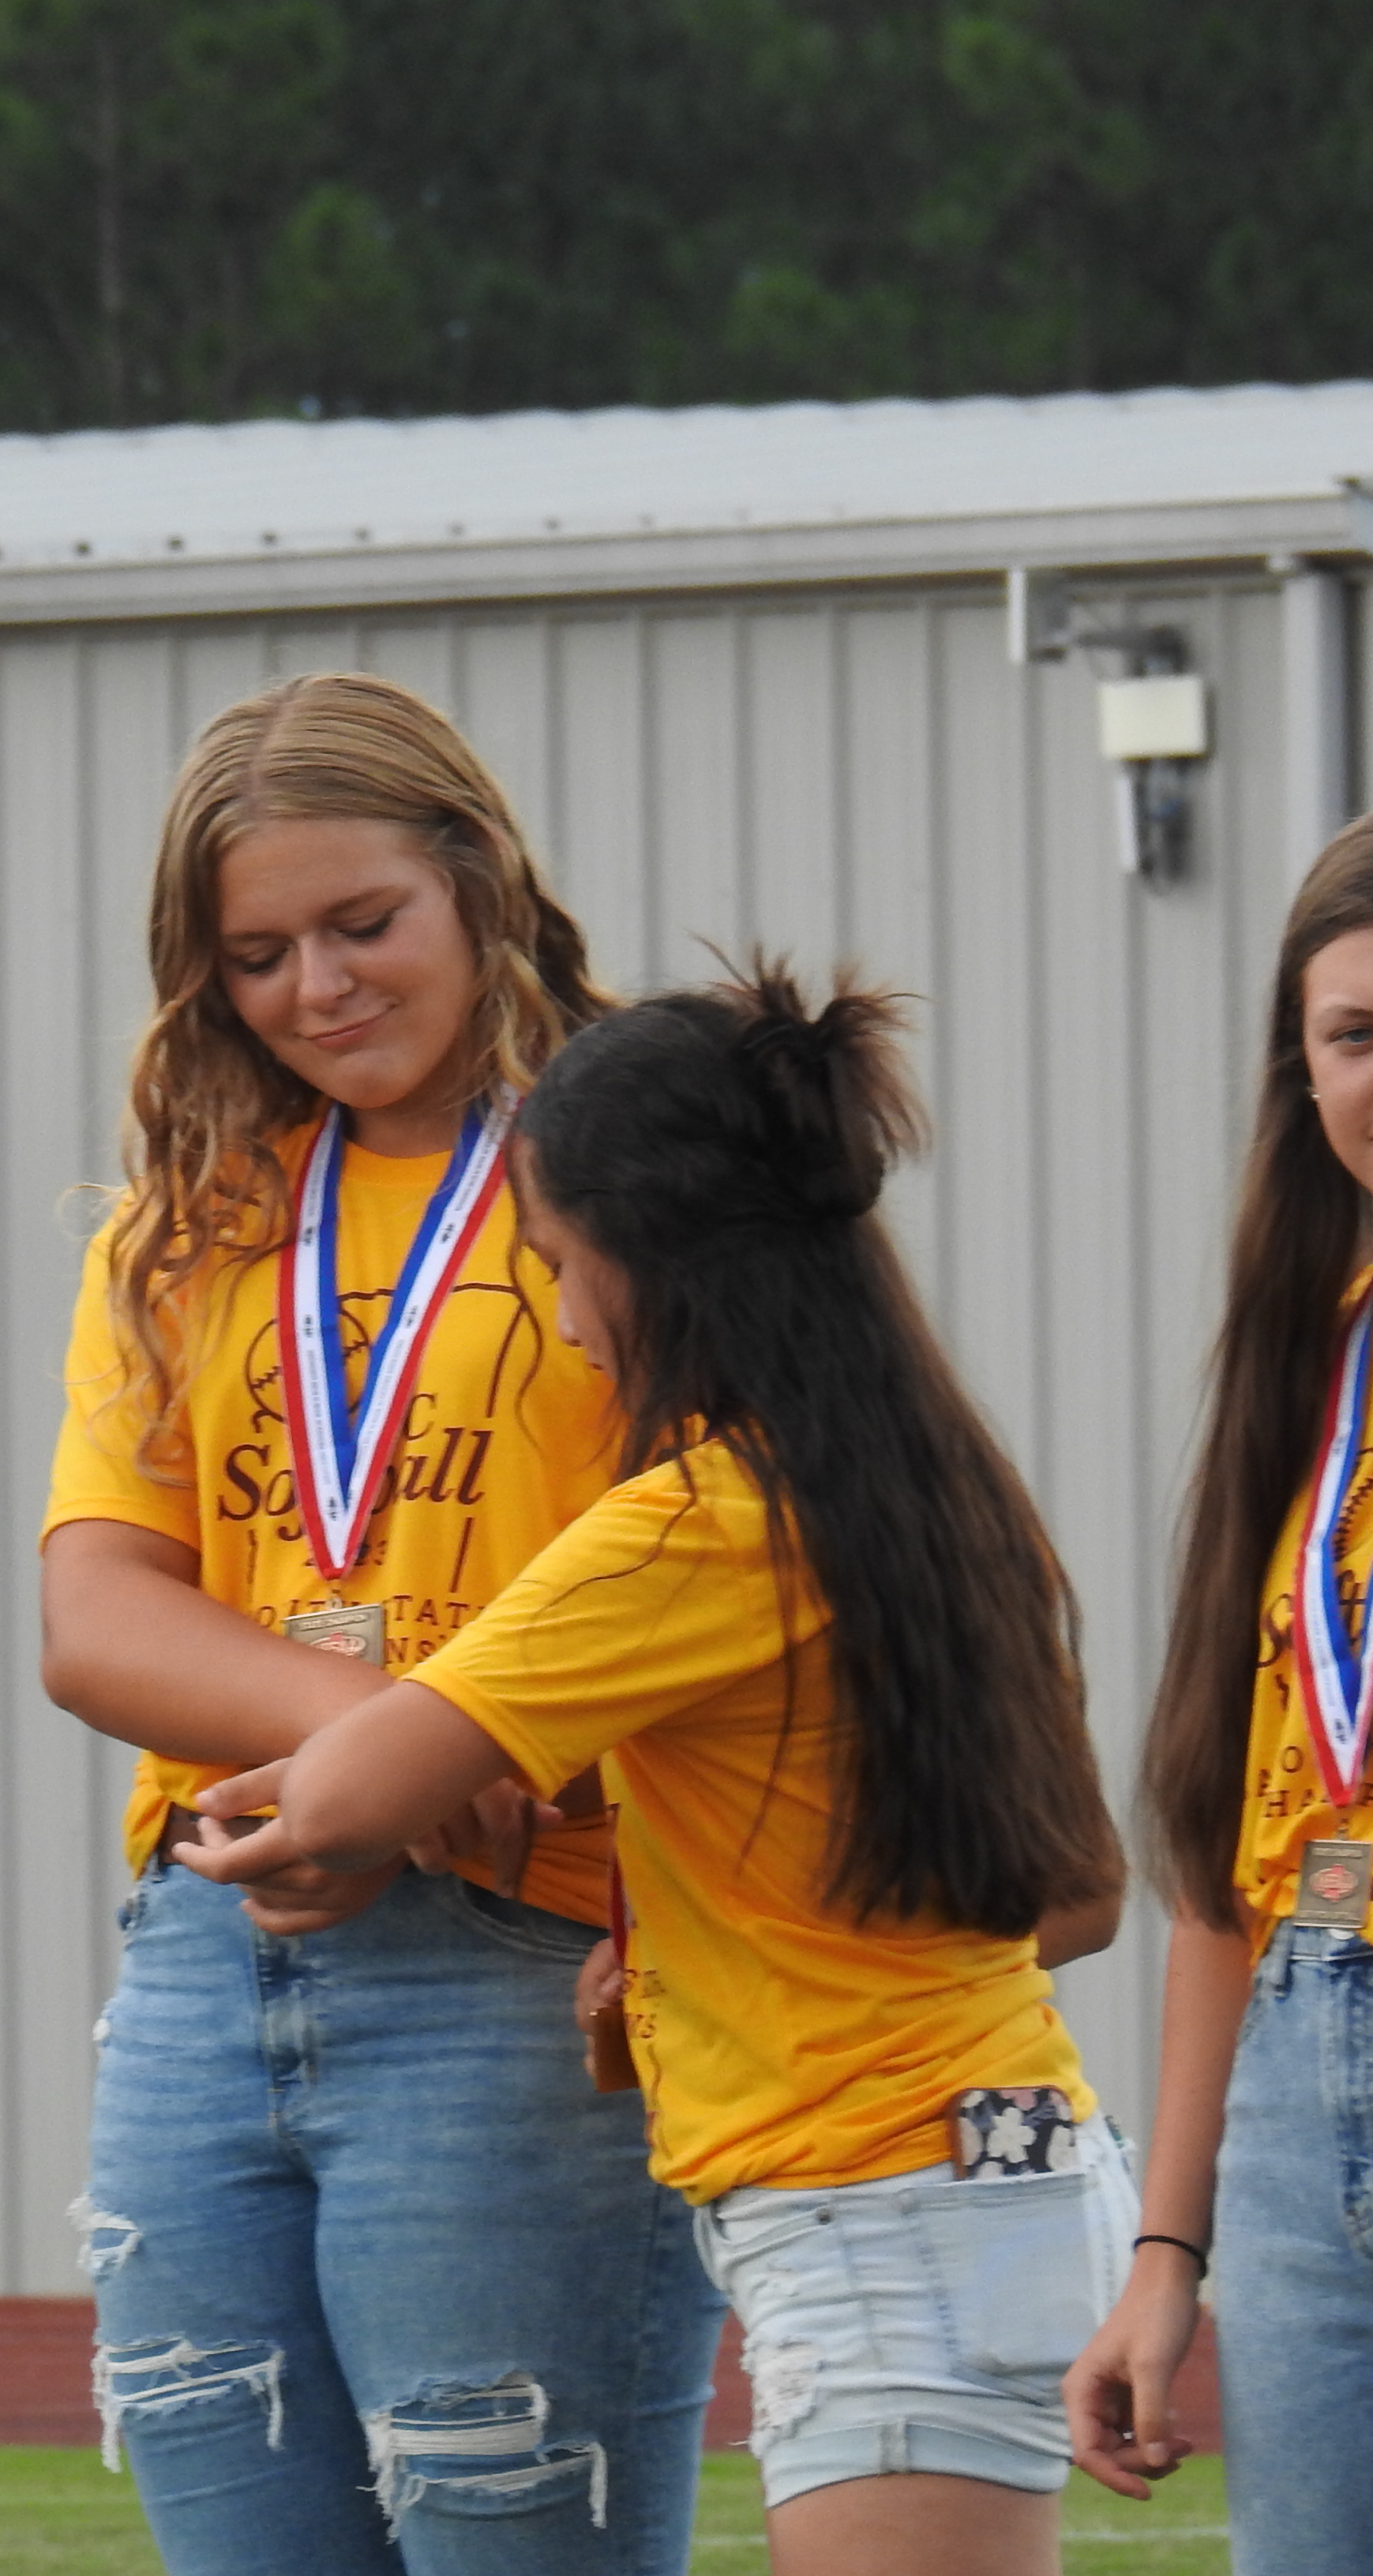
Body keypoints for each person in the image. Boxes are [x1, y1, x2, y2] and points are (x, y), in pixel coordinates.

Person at [182, 965, 1131, 2576]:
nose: (559, 1316)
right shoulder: (943, 1486)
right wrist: (697, 1960)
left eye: (557, 1264)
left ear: (649, 1253)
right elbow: (1076, 1895)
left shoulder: (696, 1524)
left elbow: (335, 1799)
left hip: (874, 2211)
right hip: (996, 2161)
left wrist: (238, 1813)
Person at [37, 672, 723, 2573]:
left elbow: (744, 1572)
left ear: (480, 880)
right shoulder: (181, 1220)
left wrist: (425, 1762)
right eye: (255, 953)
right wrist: (407, 1755)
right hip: (210, 1943)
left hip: (531, 1951)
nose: (317, 989)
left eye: (365, 925)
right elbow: (94, 1618)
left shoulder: (653, 1178)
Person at [1067, 800, 1373, 2569]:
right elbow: (1238, 1835)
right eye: (1352, 1036)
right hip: (1294, 2086)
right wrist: (1166, 2255)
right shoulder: (1317, 1339)